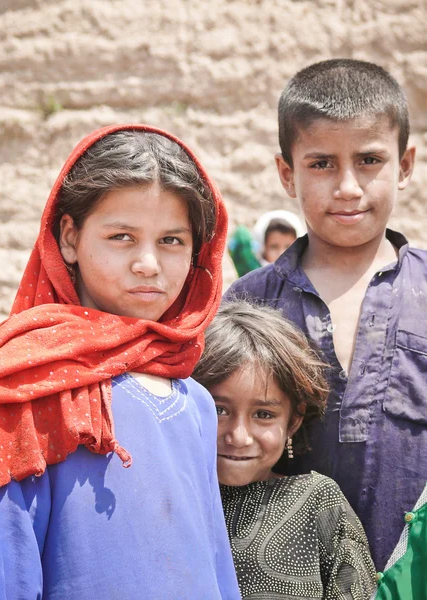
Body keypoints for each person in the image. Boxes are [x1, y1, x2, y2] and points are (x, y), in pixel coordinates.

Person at [0, 125, 241, 599]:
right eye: (122, 236)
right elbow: (5, 554)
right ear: (70, 238)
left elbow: (215, 561)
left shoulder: (196, 401)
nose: (147, 263)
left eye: (172, 241)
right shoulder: (35, 378)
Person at [225, 58, 427, 573]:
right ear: (286, 173)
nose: (347, 187)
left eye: (368, 161)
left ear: (405, 164)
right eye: (321, 164)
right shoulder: (245, 307)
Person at [193, 301, 376, 599]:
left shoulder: (317, 503)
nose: (239, 437)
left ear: (294, 420)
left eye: (263, 414)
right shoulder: (165, 497)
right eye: (218, 410)